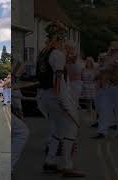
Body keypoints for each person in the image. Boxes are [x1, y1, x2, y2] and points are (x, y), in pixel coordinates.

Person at [36, 21, 84, 177]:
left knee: (56, 130)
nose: (64, 42)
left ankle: (50, 162)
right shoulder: (57, 54)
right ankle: (67, 166)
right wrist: (63, 102)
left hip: (45, 96)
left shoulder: (43, 52)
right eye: (63, 38)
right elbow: (58, 80)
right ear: (59, 38)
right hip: (56, 96)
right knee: (71, 127)